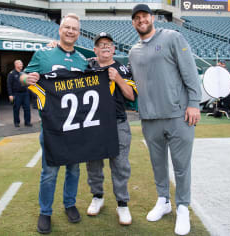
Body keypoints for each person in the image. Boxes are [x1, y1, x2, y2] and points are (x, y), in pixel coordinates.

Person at [128, 4, 202, 235]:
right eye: (137, 18)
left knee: (181, 167)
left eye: (145, 16)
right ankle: (164, 201)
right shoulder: (132, 51)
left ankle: (182, 207)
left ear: (152, 18)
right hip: (150, 118)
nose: (142, 20)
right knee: (158, 165)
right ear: (133, 22)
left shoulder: (172, 37)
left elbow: (190, 71)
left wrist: (194, 103)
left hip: (178, 115)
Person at [20, 13, 88, 234]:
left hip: (75, 126)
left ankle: (69, 204)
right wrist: (26, 79)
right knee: (49, 171)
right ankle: (45, 212)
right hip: (51, 125)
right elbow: (24, 76)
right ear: (60, 30)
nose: (70, 31)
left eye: (74, 29)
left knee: (74, 169)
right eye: (67, 27)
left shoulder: (82, 61)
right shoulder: (44, 53)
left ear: (79, 33)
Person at [85, 32, 137, 225]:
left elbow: (131, 96)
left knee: (120, 164)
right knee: (93, 163)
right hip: (94, 124)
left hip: (118, 122)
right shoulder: (88, 67)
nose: (105, 47)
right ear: (95, 50)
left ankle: (122, 203)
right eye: (101, 44)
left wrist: (118, 79)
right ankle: (97, 196)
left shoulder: (122, 69)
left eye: (108, 44)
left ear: (114, 48)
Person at [7, 60, 31, 127]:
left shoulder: (24, 73)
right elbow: (9, 84)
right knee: (16, 109)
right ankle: (16, 122)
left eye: (22, 64)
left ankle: (27, 122)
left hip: (25, 93)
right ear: (16, 65)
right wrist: (10, 94)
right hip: (16, 94)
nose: (22, 65)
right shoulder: (11, 74)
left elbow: (27, 82)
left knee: (27, 108)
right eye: (20, 64)